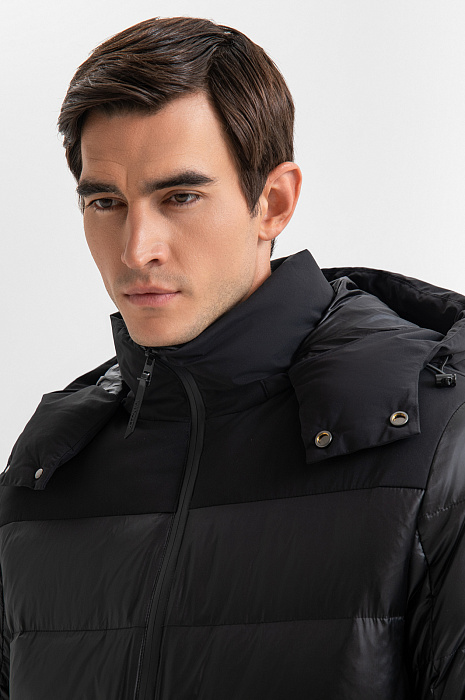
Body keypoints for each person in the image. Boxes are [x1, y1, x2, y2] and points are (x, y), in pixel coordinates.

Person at [0, 16, 464, 700]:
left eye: (180, 196)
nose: (136, 249)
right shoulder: (45, 475)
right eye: (106, 201)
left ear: (272, 202)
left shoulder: (437, 438)